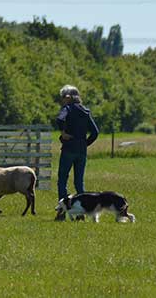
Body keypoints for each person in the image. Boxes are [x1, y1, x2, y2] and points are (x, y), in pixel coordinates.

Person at [55, 85, 99, 221]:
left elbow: (60, 119)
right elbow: (95, 132)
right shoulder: (85, 111)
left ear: (68, 97)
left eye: (63, 98)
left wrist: (63, 132)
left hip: (68, 149)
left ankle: (62, 212)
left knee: (62, 180)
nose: (62, 101)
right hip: (81, 151)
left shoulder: (67, 109)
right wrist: (85, 144)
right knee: (79, 182)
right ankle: (81, 212)